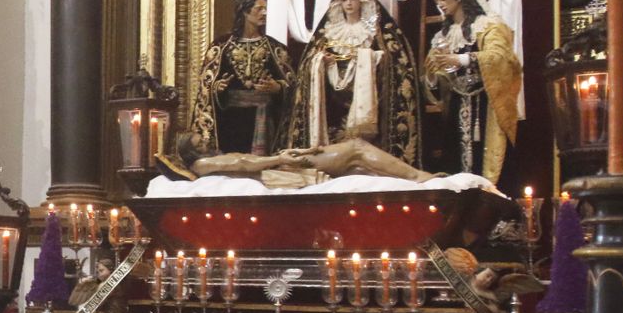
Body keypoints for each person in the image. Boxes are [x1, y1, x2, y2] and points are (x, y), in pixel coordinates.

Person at [290, 0, 419, 165]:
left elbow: (398, 65)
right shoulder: (326, 33)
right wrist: (319, 63)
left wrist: (373, 59)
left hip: (371, 105)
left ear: (362, 0)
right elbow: (307, 69)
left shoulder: (383, 32)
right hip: (332, 105)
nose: (349, 3)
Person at [421, 0, 520, 185]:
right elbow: (435, 76)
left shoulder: (488, 26)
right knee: (456, 157)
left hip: (485, 102)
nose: (441, 6)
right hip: (456, 103)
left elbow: (501, 58)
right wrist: (434, 76)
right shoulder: (443, 36)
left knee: (484, 154)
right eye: (438, 2)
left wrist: (463, 59)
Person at [191, 0, 295, 155]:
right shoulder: (221, 46)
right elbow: (205, 87)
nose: (264, 13)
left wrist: (278, 87)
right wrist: (217, 88)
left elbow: (294, 86)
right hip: (231, 124)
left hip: (265, 121)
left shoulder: (275, 48)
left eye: (266, 9)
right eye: (259, 9)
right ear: (245, 12)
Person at [186, 136, 440, 186]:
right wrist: (280, 157)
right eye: (200, 144)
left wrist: (294, 151)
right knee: (356, 148)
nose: (207, 142)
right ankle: (417, 177)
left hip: (282, 162)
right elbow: (242, 163)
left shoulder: (211, 158)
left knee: (357, 163)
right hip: (281, 167)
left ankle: (412, 179)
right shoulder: (201, 165)